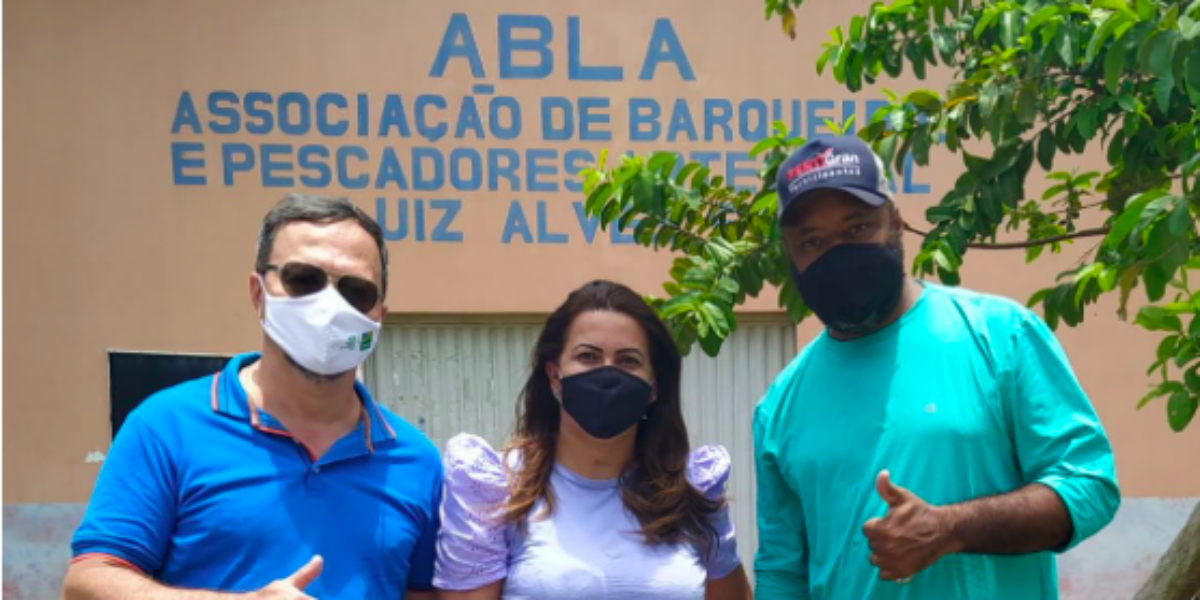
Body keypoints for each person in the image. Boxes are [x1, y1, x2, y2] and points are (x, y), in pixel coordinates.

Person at [753, 136, 1121, 599]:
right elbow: (782, 573)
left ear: (896, 225)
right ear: (792, 257)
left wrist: (951, 528)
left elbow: (1089, 486)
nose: (838, 253)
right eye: (812, 241)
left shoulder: (999, 335)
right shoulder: (779, 407)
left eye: (857, 228)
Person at [63, 194, 441, 599]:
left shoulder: (416, 459)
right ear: (258, 292)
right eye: (303, 279)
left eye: (356, 290)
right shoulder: (165, 427)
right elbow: (88, 583)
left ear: (379, 314)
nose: (329, 304)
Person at [433, 280, 751, 600]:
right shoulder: (495, 489)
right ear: (554, 376)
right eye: (588, 356)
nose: (608, 374)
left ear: (654, 386)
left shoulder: (692, 491)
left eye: (628, 360)